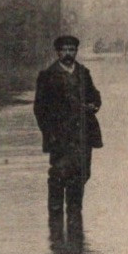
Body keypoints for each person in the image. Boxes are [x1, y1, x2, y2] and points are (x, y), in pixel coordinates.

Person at [33, 34, 103, 232]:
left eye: (71, 50)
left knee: (82, 174)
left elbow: (95, 96)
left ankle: (74, 216)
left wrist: (94, 105)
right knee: (59, 174)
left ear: (76, 52)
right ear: (58, 52)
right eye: (64, 50)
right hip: (60, 135)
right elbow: (40, 109)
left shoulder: (83, 73)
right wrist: (49, 133)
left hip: (83, 134)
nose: (68, 54)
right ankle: (55, 220)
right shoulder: (47, 76)